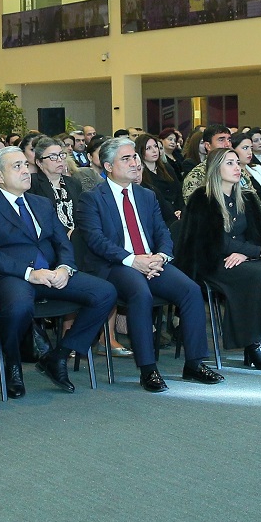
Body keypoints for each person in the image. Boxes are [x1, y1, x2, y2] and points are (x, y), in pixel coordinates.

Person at [73, 137, 222, 390]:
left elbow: (162, 231)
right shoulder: (92, 198)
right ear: (108, 166)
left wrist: (161, 256)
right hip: (115, 265)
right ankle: (148, 368)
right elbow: (96, 240)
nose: (135, 163)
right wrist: (133, 260)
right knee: (140, 293)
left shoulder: (146, 195)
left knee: (190, 290)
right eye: (126, 159)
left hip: (151, 261)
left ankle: (194, 363)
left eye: (135, 157)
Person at [0, 146, 118, 395]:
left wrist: (64, 268)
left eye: (25, 165)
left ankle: (58, 356)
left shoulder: (41, 203)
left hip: (49, 274)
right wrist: (29, 273)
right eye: (16, 166)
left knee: (105, 292)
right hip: (11, 276)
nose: (25, 171)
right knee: (19, 307)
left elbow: (63, 242)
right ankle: (13, 365)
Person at [178, 147, 261, 370]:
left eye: (237, 163)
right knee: (257, 277)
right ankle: (253, 343)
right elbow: (213, 241)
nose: (237, 168)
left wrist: (245, 253)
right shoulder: (202, 199)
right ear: (216, 168)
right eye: (229, 163)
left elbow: (258, 235)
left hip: (242, 257)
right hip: (212, 260)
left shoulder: (247, 197)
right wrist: (257, 252)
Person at [26, 135, 80, 235]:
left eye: (61, 155)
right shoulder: (32, 183)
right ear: (39, 162)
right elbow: (39, 219)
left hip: (76, 236)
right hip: (51, 237)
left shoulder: (73, 183)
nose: (59, 160)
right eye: (53, 157)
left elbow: (81, 213)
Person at [135, 131, 183, 227]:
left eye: (155, 146)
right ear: (140, 151)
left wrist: (181, 210)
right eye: (148, 148)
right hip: (159, 218)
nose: (154, 151)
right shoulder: (140, 174)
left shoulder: (167, 168)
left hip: (177, 213)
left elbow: (178, 191)